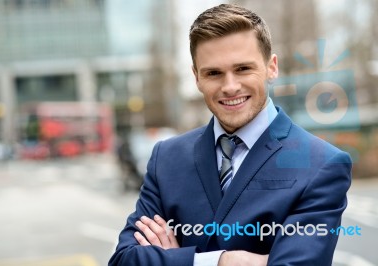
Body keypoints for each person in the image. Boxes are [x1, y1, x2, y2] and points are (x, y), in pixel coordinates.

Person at [108, 4, 352, 266]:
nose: (230, 86)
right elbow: (124, 260)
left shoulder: (322, 165)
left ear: (272, 67)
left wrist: (174, 259)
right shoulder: (166, 158)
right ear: (196, 77)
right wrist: (220, 261)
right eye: (213, 73)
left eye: (243, 69)